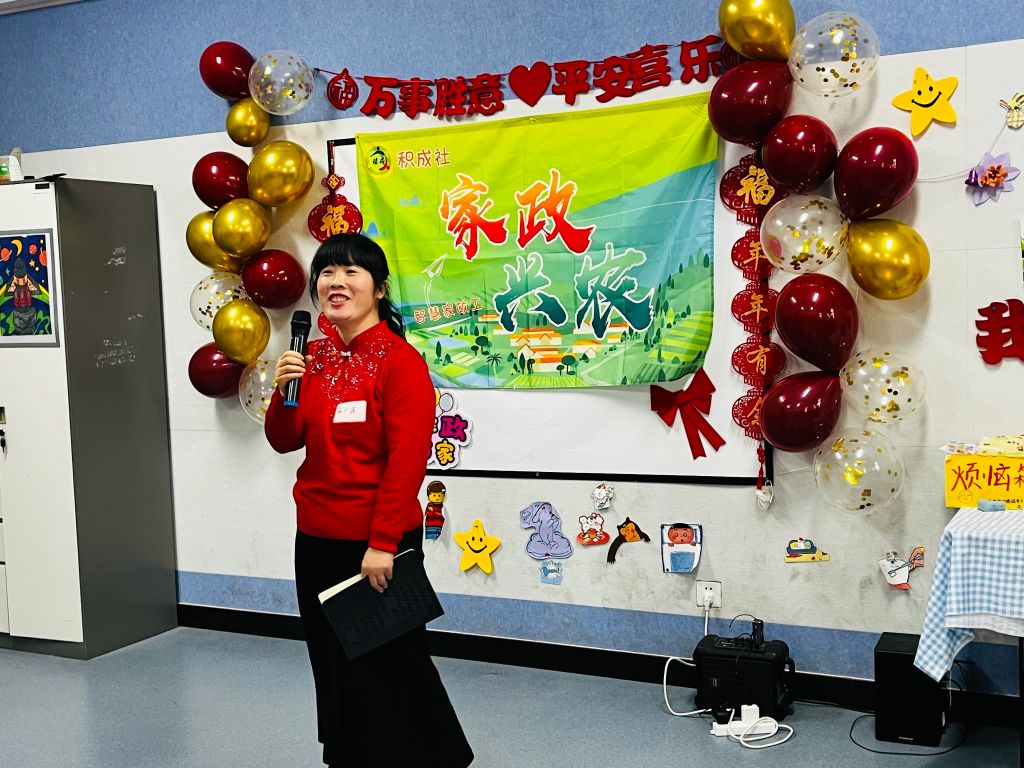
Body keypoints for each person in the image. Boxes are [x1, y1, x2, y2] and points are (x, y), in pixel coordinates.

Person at [264, 232, 473, 768]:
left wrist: (382, 544)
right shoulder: (311, 356)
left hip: (377, 545)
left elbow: (406, 463)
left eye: (351, 272)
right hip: (316, 538)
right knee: (333, 662)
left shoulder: (400, 362)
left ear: (379, 289)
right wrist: (284, 393)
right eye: (327, 272)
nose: (336, 282)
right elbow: (284, 441)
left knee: (393, 667)